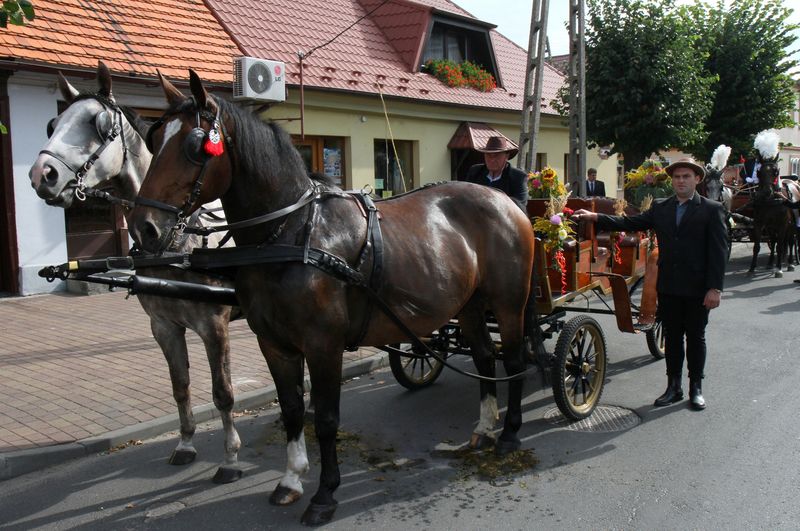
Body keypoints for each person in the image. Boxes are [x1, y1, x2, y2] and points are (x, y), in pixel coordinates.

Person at [572, 158, 727, 411]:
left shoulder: (711, 209)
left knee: (696, 338)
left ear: (697, 179)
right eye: (677, 177)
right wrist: (595, 216)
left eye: (686, 176)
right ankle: (673, 387)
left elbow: (720, 252)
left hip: (698, 288)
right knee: (673, 337)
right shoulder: (662, 207)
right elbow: (630, 223)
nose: (681, 181)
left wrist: (715, 288)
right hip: (668, 286)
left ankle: (695, 388)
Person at [466, 136, 528, 211]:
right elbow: (466, 197)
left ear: (506, 156)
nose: (492, 160)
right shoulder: (475, 172)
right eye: (488, 155)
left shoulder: (518, 177)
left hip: (504, 220)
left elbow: (520, 206)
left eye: (497, 155)